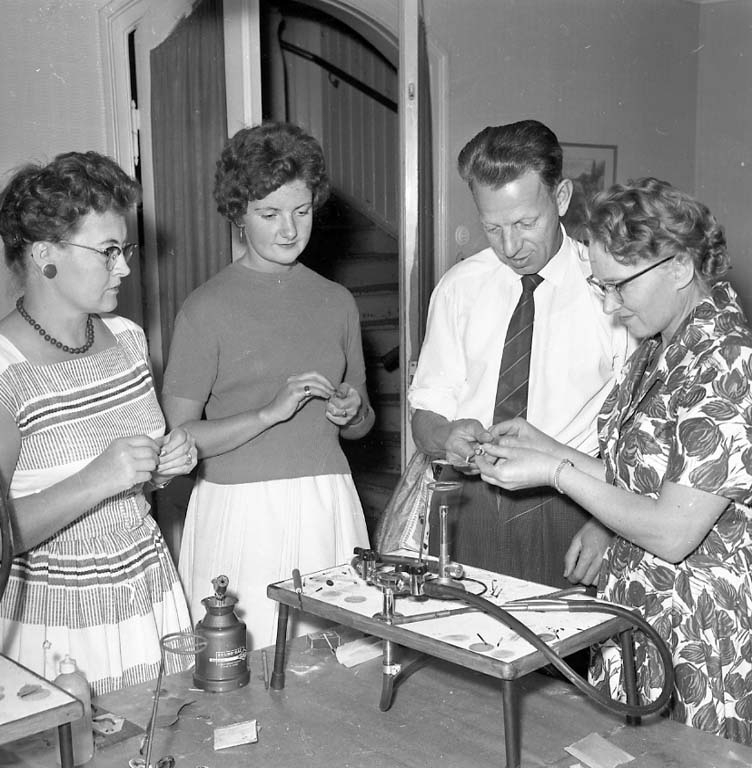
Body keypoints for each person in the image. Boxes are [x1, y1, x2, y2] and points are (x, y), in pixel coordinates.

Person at [475, 177, 752, 744]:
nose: (609, 305)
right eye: (601, 287)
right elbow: (638, 479)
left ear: (679, 267)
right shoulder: (662, 345)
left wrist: (555, 473)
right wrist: (544, 445)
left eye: (619, 286)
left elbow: (673, 531)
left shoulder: (727, 361)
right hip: (640, 610)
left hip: (699, 628)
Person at [162, 121, 374, 649]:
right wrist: (267, 414)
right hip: (241, 512)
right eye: (269, 214)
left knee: (332, 659)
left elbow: (363, 422)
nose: (289, 230)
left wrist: (352, 411)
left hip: (326, 502)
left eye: (301, 211)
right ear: (238, 213)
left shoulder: (337, 302)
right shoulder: (205, 308)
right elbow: (180, 439)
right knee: (245, 660)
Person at [0, 151, 196, 695]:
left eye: (123, 250)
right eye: (108, 251)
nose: (125, 268)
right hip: (58, 620)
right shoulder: (5, 369)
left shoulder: (129, 339)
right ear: (44, 253)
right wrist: (99, 478)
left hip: (147, 589)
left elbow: (131, 483)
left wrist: (159, 468)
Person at [408, 120, 634, 588]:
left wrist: (608, 524)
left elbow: (641, 437)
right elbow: (424, 414)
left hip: (576, 507)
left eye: (525, 224)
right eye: (492, 227)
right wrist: (446, 435)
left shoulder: (611, 289)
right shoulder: (458, 288)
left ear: (562, 198)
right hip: (468, 506)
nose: (510, 247)